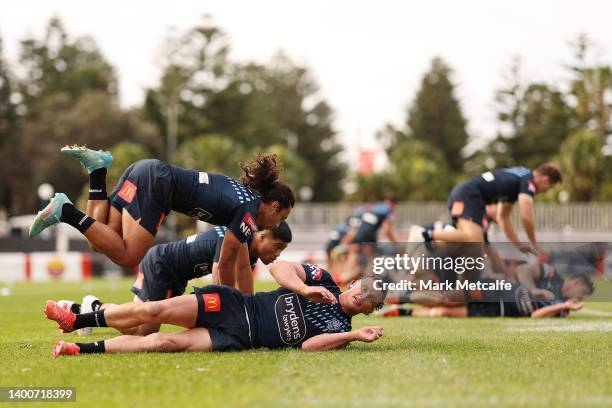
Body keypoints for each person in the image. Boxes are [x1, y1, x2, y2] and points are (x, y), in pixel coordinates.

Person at [29, 146, 295, 285]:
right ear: (273, 206)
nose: (275, 225)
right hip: (158, 184)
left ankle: (97, 171)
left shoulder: (244, 199)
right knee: (128, 256)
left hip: (145, 171)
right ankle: (64, 210)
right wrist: (230, 308)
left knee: (99, 239)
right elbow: (227, 263)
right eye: (280, 218)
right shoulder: (249, 212)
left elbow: (238, 263)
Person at [44, 262, 386, 356]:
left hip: (238, 338)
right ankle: (78, 319)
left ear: (370, 310)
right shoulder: (322, 280)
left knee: (163, 343)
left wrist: (353, 335)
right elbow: (280, 266)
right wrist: (303, 288)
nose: (363, 295)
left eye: (371, 299)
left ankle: (80, 347)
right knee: (154, 311)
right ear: (355, 282)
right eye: (364, 287)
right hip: (232, 306)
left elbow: (308, 346)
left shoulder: (342, 329)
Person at [59, 221, 292, 336]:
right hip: (162, 265)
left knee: (139, 323)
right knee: (143, 332)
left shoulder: (247, 254)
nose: (278, 253)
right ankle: (90, 311)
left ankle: (88, 309)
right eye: (277, 246)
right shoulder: (235, 239)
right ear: (261, 235)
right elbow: (219, 274)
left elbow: (243, 293)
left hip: (173, 273)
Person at [422, 164, 562, 256]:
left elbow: (503, 217)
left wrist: (518, 244)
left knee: (472, 248)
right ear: (545, 180)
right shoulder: (529, 182)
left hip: (465, 193)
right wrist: (535, 243)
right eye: (548, 188)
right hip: (470, 196)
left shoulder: (518, 178)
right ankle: (427, 234)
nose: (544, 192)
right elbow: (526, 216)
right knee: (475, 241)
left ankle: (460, 290)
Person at [378, 264, 593, 319]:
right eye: (578, 290)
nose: (577, 297)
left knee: (445, 312)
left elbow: (534, 315)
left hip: (501, 310)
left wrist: (562, 305)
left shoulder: (565, 307)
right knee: (445, 298)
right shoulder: (551, 274)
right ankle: (394, 298)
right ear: (574, 281)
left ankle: (400, 311)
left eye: (580, 296)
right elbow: (522, 269)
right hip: (497, 290)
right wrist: (534, 290)